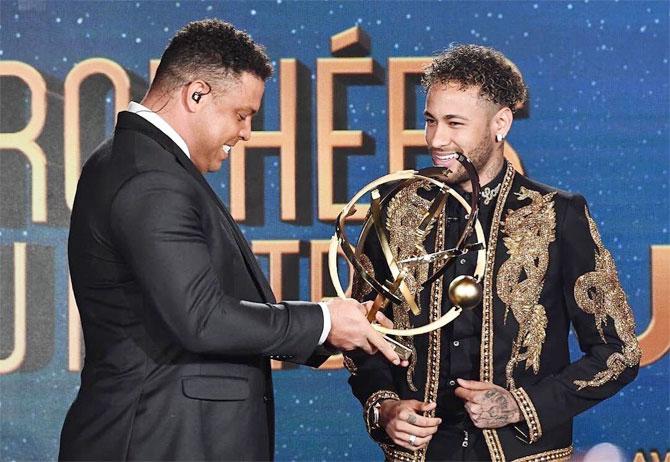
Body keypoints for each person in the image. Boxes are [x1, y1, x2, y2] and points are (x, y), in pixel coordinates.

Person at [59, 19, 404, 461]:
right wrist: (323, 320)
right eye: (242, 114)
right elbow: (201, 319)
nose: (246, 132)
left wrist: (332, 330)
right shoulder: (151, 179)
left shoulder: (144, 164)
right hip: (156, 444)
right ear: (196, 94)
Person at [344, 44, 640, 462]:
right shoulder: (394, 209)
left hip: (525, 453)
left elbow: (619, 352)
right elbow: (362, 335)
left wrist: (522, 405)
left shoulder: (557, 215)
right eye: (430, 121)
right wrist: (385, 406)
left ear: (500, 123)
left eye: (454, 123)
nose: (436, 139)